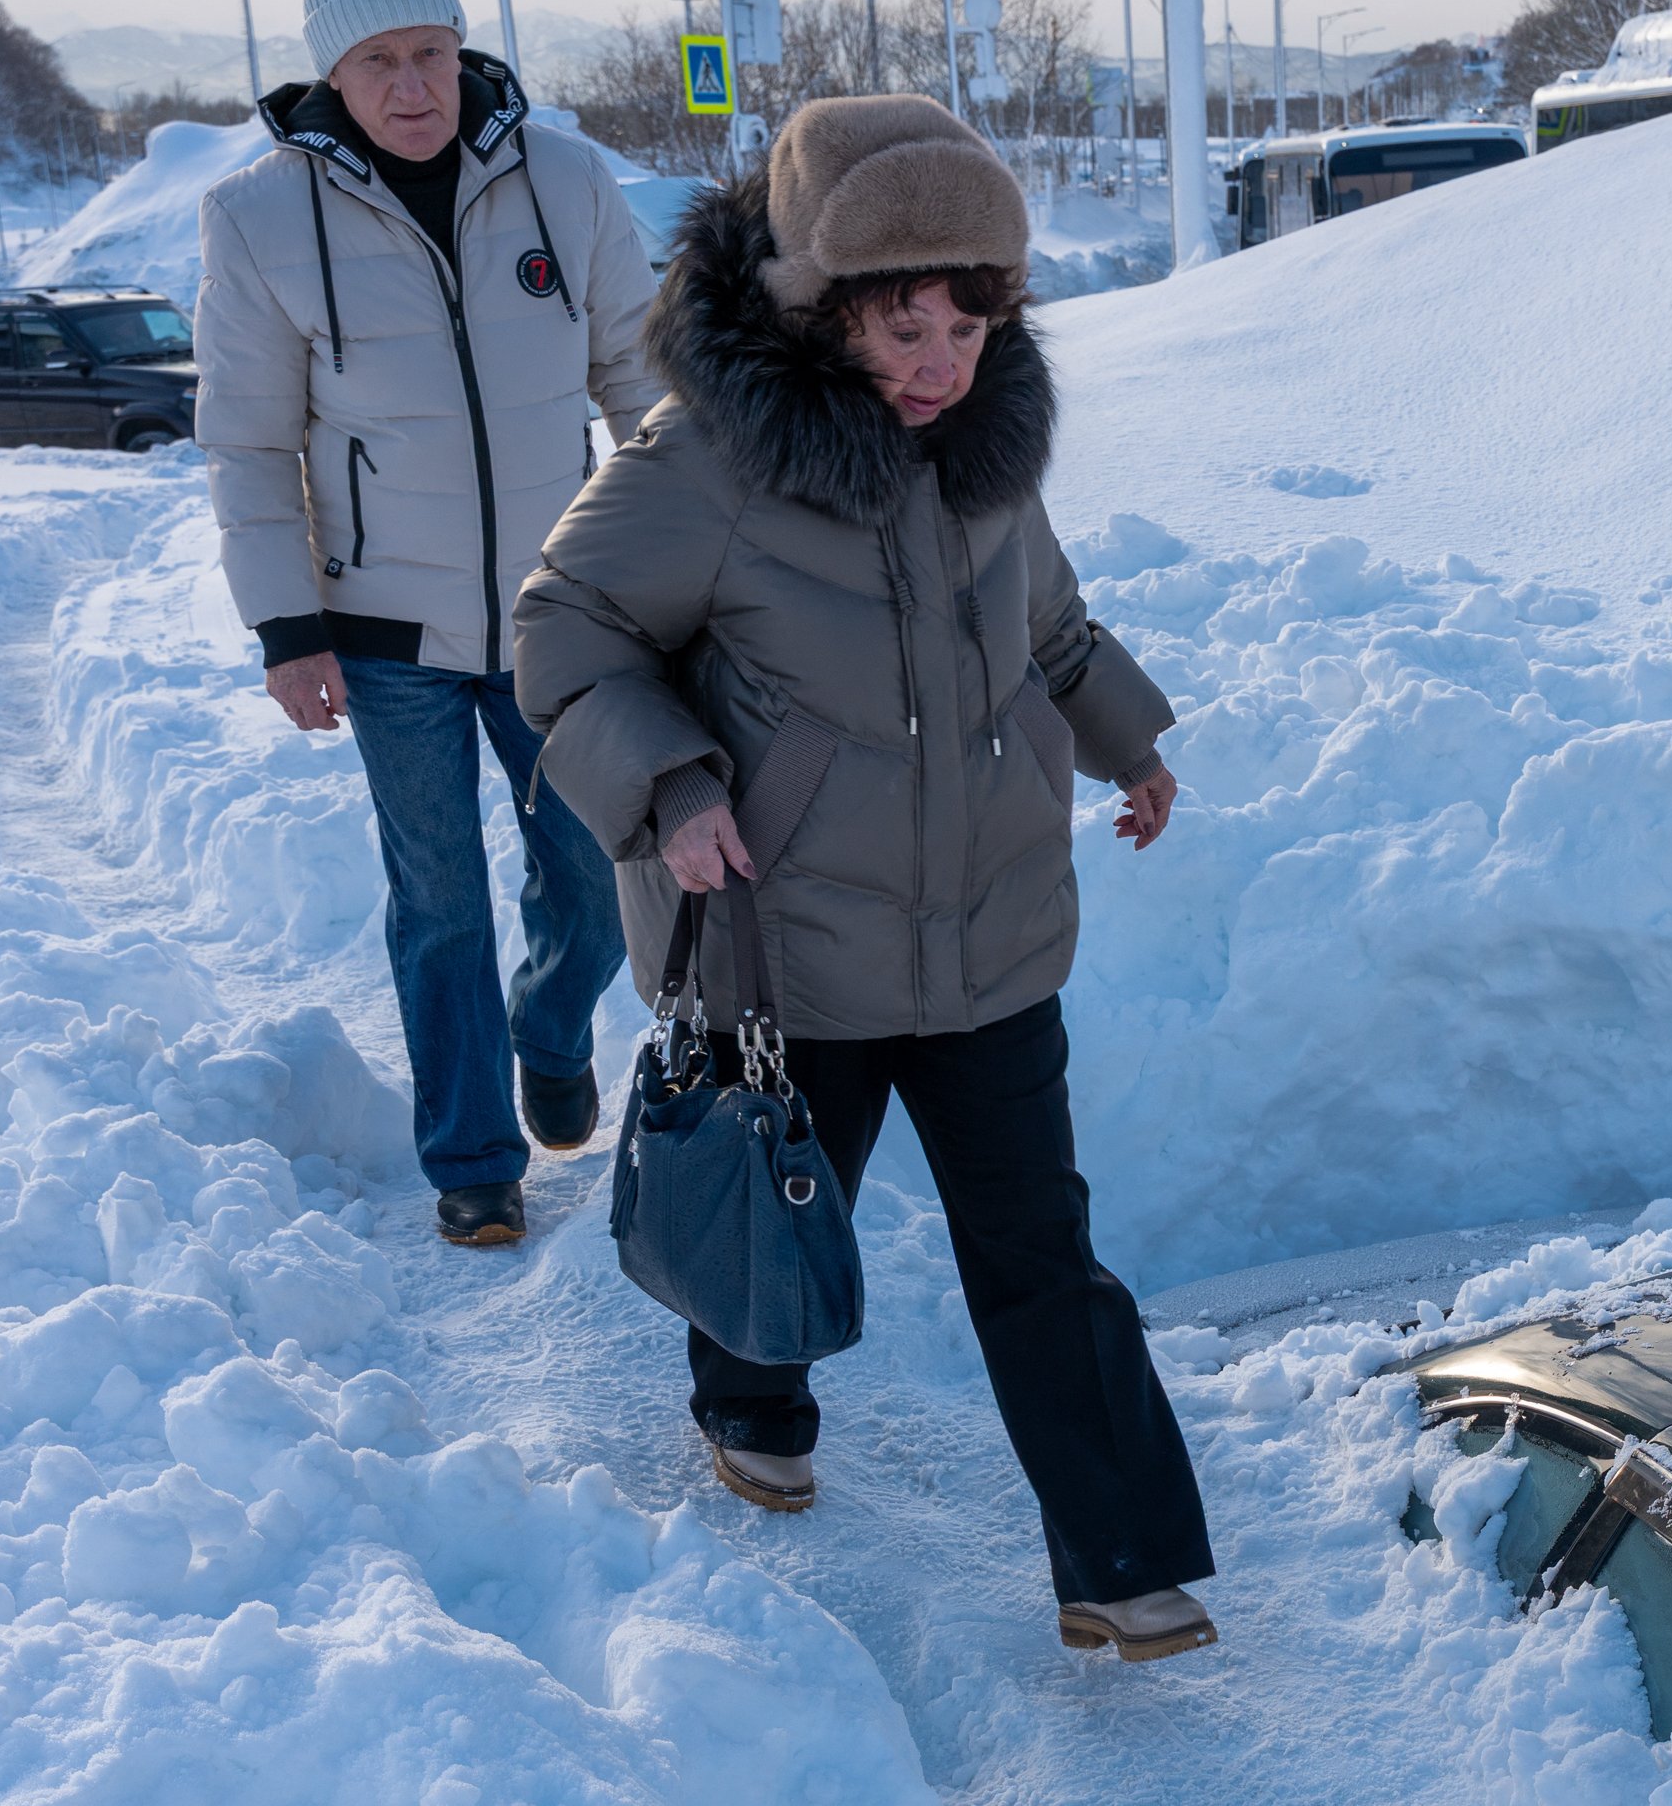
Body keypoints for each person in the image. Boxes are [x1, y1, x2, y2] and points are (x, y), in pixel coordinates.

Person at [512, 98, 1219, 1662]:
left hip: (990, 933)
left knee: (1041, 1248)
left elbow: (1050, 629)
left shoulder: (984, 455)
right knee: (778, 1201)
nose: (941, 360)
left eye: (971, 321)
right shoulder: (702, 462)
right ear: (819, 306)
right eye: (905, 323)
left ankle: (1117, 1556)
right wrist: (674, 786)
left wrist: (1126, 742)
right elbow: (561, 632)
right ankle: (748, 1396)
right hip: (789, 939)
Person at [195, 0, 664, 1246]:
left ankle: (550, 1027)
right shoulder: (258, 218)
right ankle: (473, 1160)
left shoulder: (563, 180)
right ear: (333, 78)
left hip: (559, 615)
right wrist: (286, 626)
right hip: (381, 626)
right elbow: (247, 441)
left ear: (460, 53)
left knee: (599, 861)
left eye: (430, 54)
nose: (413, 87)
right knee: (440, 893)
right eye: (379, 62)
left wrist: (688, 562)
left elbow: (643, 378)